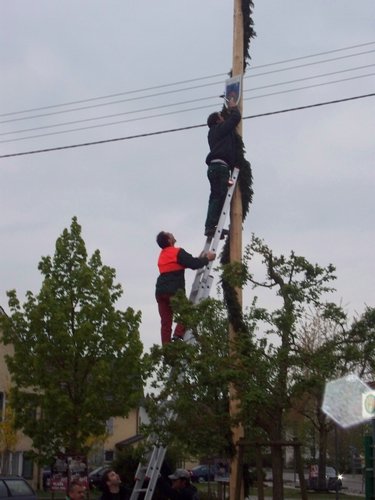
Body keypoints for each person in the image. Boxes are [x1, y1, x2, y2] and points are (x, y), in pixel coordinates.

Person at [155, 231, 216, 344]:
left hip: (160, 292)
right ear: (169, 240)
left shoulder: (162, 255)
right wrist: (207, 258)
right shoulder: (177, 252)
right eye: (170, 234)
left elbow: (183, 263)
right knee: (187, 312)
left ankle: (167, 350)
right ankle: (178, 335)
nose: (173, 234)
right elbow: (193, 264)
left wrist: (199, 259)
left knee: (165, 323)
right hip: (173, 291)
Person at [204, 97, 241, 237]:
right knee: (219, 196)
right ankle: (211, 226)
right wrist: (232, 107)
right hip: (220, 168)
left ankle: (213, 225)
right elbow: (235, 119)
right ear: (217, 121)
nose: (223, 119)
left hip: (215, 167)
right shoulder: (218, 129)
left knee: (215, 196)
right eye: (221, 117)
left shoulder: (215, 133)